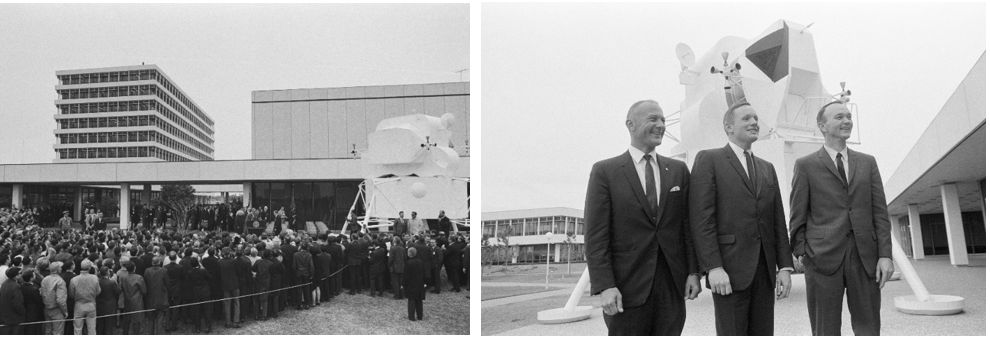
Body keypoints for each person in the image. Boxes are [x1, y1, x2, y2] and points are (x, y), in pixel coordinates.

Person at [584, 100, 701, 336]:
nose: (661, 125)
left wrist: (693, 272)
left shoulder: (678, 170)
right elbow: (596, 236)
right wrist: (605, 286)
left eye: (663, 120)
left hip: (671, 287)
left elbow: (687, 227)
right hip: (626, 289)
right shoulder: (605, 172)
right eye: (653, 119)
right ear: (631, 124)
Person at [688, 102, 794, 335]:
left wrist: (784, 266)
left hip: (764, 272)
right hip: (728, 272)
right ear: (728, 126)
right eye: (746, 118)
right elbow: (701, 220)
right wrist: (713, 267)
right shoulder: (709, 160)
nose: (754, 122)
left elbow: (777, 220)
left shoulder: (767, 168)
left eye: (756, 118)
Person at [789, 101, 893, 336]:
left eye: (848, 116)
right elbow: (797, 214)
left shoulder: (868, 162)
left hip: (865, 257)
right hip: (821, 259)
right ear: (822, 126)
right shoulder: (805, 165)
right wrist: (803, 252)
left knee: (869, 328)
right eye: (839, 117)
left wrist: (885, 255)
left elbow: (880, 212)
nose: (847, 121)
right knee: (825, 329)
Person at [142, 256, 168, 335]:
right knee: (159, 319)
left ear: (152, 263)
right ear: (159, 262)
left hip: (150, 298)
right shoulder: (163, 271)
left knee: (151, 319)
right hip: (159, 298)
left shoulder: (147, 271)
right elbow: (168, 283)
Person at [118, 260, 146, 335]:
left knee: (126, 320)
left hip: (127, 300)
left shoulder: (123, 278)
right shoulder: (139, 278)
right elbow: (144, 291)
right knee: (136, 321)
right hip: (137, 302)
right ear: (134, 268)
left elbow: (121, 288)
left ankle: (125, 334)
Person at [186, 257, 212, 333]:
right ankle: (207, 327)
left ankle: (198, 328)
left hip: (195, 293)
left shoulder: (190, 272)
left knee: (197, 311)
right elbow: (210, 277)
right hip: (205, 292)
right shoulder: (203, 271)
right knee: (207, 310)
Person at [40, 261, 67, 335]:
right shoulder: (60, 281)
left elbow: (41, 292)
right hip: (56, 309)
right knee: (58, 333)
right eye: (60, 268)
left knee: (48, 331)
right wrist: (65, 311)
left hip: (46, 308)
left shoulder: (45, 279)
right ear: (57, 270)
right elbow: (60, 299)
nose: (61, 269)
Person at [217, 248, 241, 328]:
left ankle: (228, 322)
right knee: (236, 302)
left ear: (223, 253)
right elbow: (238, 271)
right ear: (230, 253)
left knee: (227, 303)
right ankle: (236, 321)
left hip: (225, 284)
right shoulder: (234, 261)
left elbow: (219, 273)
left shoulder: (220, 262)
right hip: (234, 284)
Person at [403, 247, 426, 321]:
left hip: (411, 283)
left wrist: (403, 284)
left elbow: (406, 275)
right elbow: (424, 273)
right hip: (420, 282)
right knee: (419, 300)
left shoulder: (408, 263)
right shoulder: (421, 262)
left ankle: (411, 316)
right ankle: (420, 316)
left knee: (411, 300)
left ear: (409, 253)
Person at [95, 266, 120, 336]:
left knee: (100, 326)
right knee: (109, 327)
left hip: (99, 306)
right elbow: (118, 291)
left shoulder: (97, 281)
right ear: (108, 273)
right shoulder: (111, 283)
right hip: (109, 307)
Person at [0, 267, 25, 335]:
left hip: (5, 316)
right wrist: (22, 313)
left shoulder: (4, 283)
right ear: (15, 275)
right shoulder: (16, 286)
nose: (21, 275)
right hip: (14, 318)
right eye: (20, 273)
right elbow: (18, 303)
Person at [20, 270, 45, 335]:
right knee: (33, 330)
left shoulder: (21, 286)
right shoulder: (34, 289)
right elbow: (38, 301)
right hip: (33, 312)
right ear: (31, 278)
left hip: (25, 311)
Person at [293, 243, 314, 309]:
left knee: (299, 289)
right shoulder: (309, 255)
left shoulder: (296, 254)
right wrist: (311, 274)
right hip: (306, 273)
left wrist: (295, 273)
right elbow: (311, 266)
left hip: (298, 273)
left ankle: (299, 304)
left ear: (300, 247)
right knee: (306, 289)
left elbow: (294, 265)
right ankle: (307, 303)